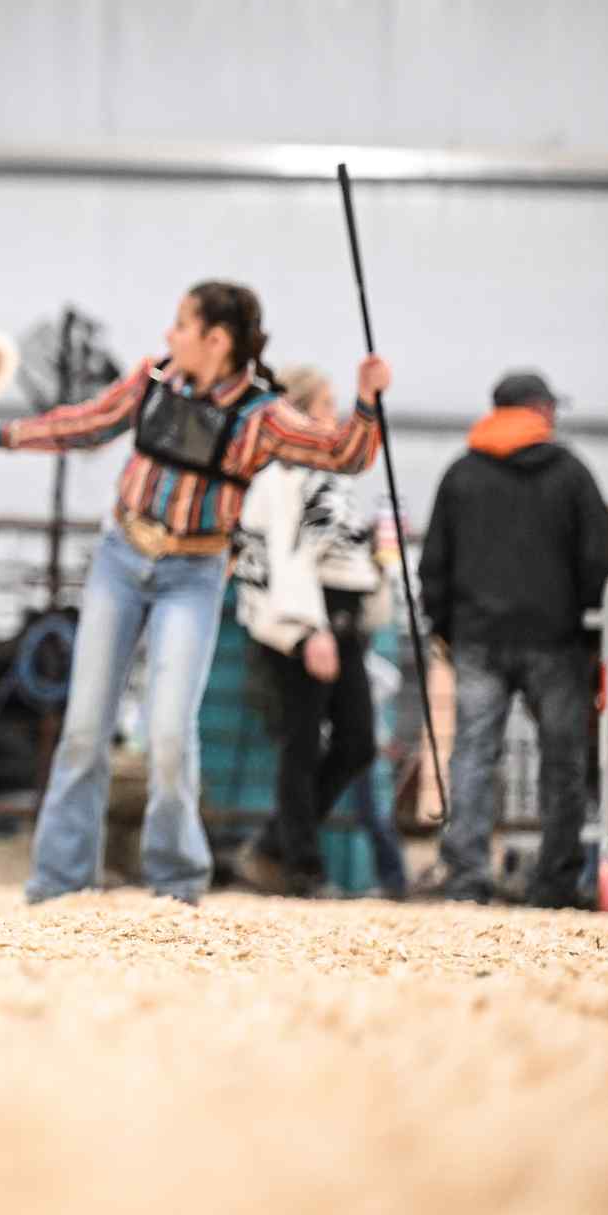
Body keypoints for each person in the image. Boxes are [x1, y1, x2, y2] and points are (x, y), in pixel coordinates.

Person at [0, 283, 386, 904]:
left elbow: (345, 453)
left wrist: (367, 400)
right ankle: (60, 883)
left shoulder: (264, 415)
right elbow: (87, 423)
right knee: (85, 728)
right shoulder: (152, 381)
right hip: (121, 558)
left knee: (171, 731)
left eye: (180, 325)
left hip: (193, 575)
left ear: (216, 341)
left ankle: (175, 882)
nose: (168, 336)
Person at [421, 370, 608, 908]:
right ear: (542, 411)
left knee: (474, 756)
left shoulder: (461, 473)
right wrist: (594, 627)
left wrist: (442, 625)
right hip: (556, 640)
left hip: (478, 638)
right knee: (562, 761)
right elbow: (595, 557)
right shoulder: (572, 473)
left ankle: (466, 879)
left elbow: (434, 558)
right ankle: (553, 884)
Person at [231, 364, 387, 898]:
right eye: (326, 408)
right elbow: (288, 557)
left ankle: (276, 845)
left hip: (341, 620)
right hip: (301, 621)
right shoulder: (280, 477)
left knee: (357, 741)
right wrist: (308, 630)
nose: (334, 419)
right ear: (302, 412)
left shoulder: (324, 474)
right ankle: (301, 865)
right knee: (300, 743)